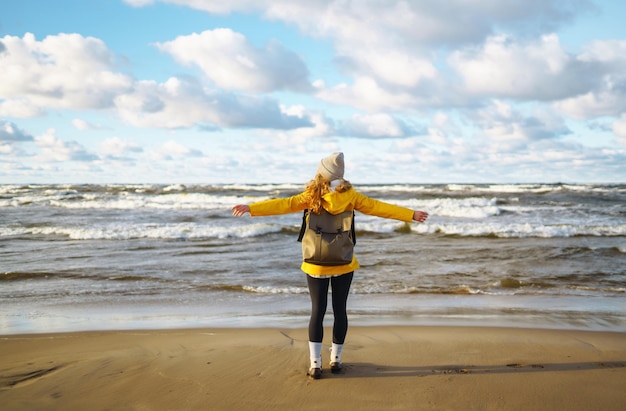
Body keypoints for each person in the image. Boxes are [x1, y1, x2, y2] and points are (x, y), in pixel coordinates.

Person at [232, 152, 428, 379]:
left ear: (322, 173)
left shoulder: (311, 195)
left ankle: (315, 364)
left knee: (317, 311)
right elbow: (378, 207)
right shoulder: (352, 196)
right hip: (343, 261)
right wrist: (410, 214)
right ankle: (336, 360)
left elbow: (284, 204)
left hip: (315, 263)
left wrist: (252, 208)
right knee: (340, 310)